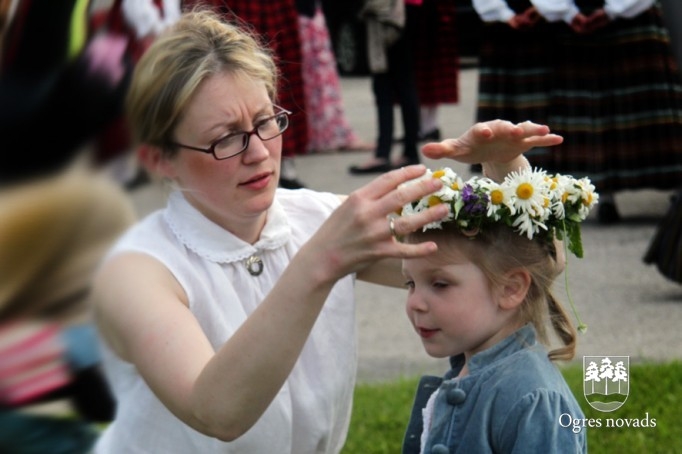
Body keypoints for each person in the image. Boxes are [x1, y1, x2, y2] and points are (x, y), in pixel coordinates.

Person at [90, 9, 564, 452]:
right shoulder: (135, 271)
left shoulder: (316, 217)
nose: (258, 152)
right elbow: (217, 412)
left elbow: (531, 269)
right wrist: (323, 260)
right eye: (226, 139)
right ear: (159, 159)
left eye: (266, 122)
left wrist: (505, 168)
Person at [398, 166, 597, 452]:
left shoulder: (534, 400)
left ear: (510, 289)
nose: (415, 302)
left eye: (440, 284)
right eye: (410, 283)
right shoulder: (467, 371)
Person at [529, 0, 682, 223]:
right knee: (590, 108)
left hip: (631, 13)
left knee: (643, 109)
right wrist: (566, 11)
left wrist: (613, 9)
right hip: (582, 18)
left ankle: (675, 185)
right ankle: (605, 194)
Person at [182, 0, 310, 189]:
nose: (259, 153)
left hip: (270, 10)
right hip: (233, 15)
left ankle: (286, 163)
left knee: (274, 84)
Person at [349, 0, 422, 174]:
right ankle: (409, 152)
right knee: (403, 84)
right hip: (409, 9)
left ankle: (385, 154)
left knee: (386, 87)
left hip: (392, 13)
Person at [296, 0, 373, 153]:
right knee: (314, 80)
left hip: (310, 16)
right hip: (304, 17)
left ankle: (327, 134)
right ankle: (321, 135)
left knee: (319, 80)